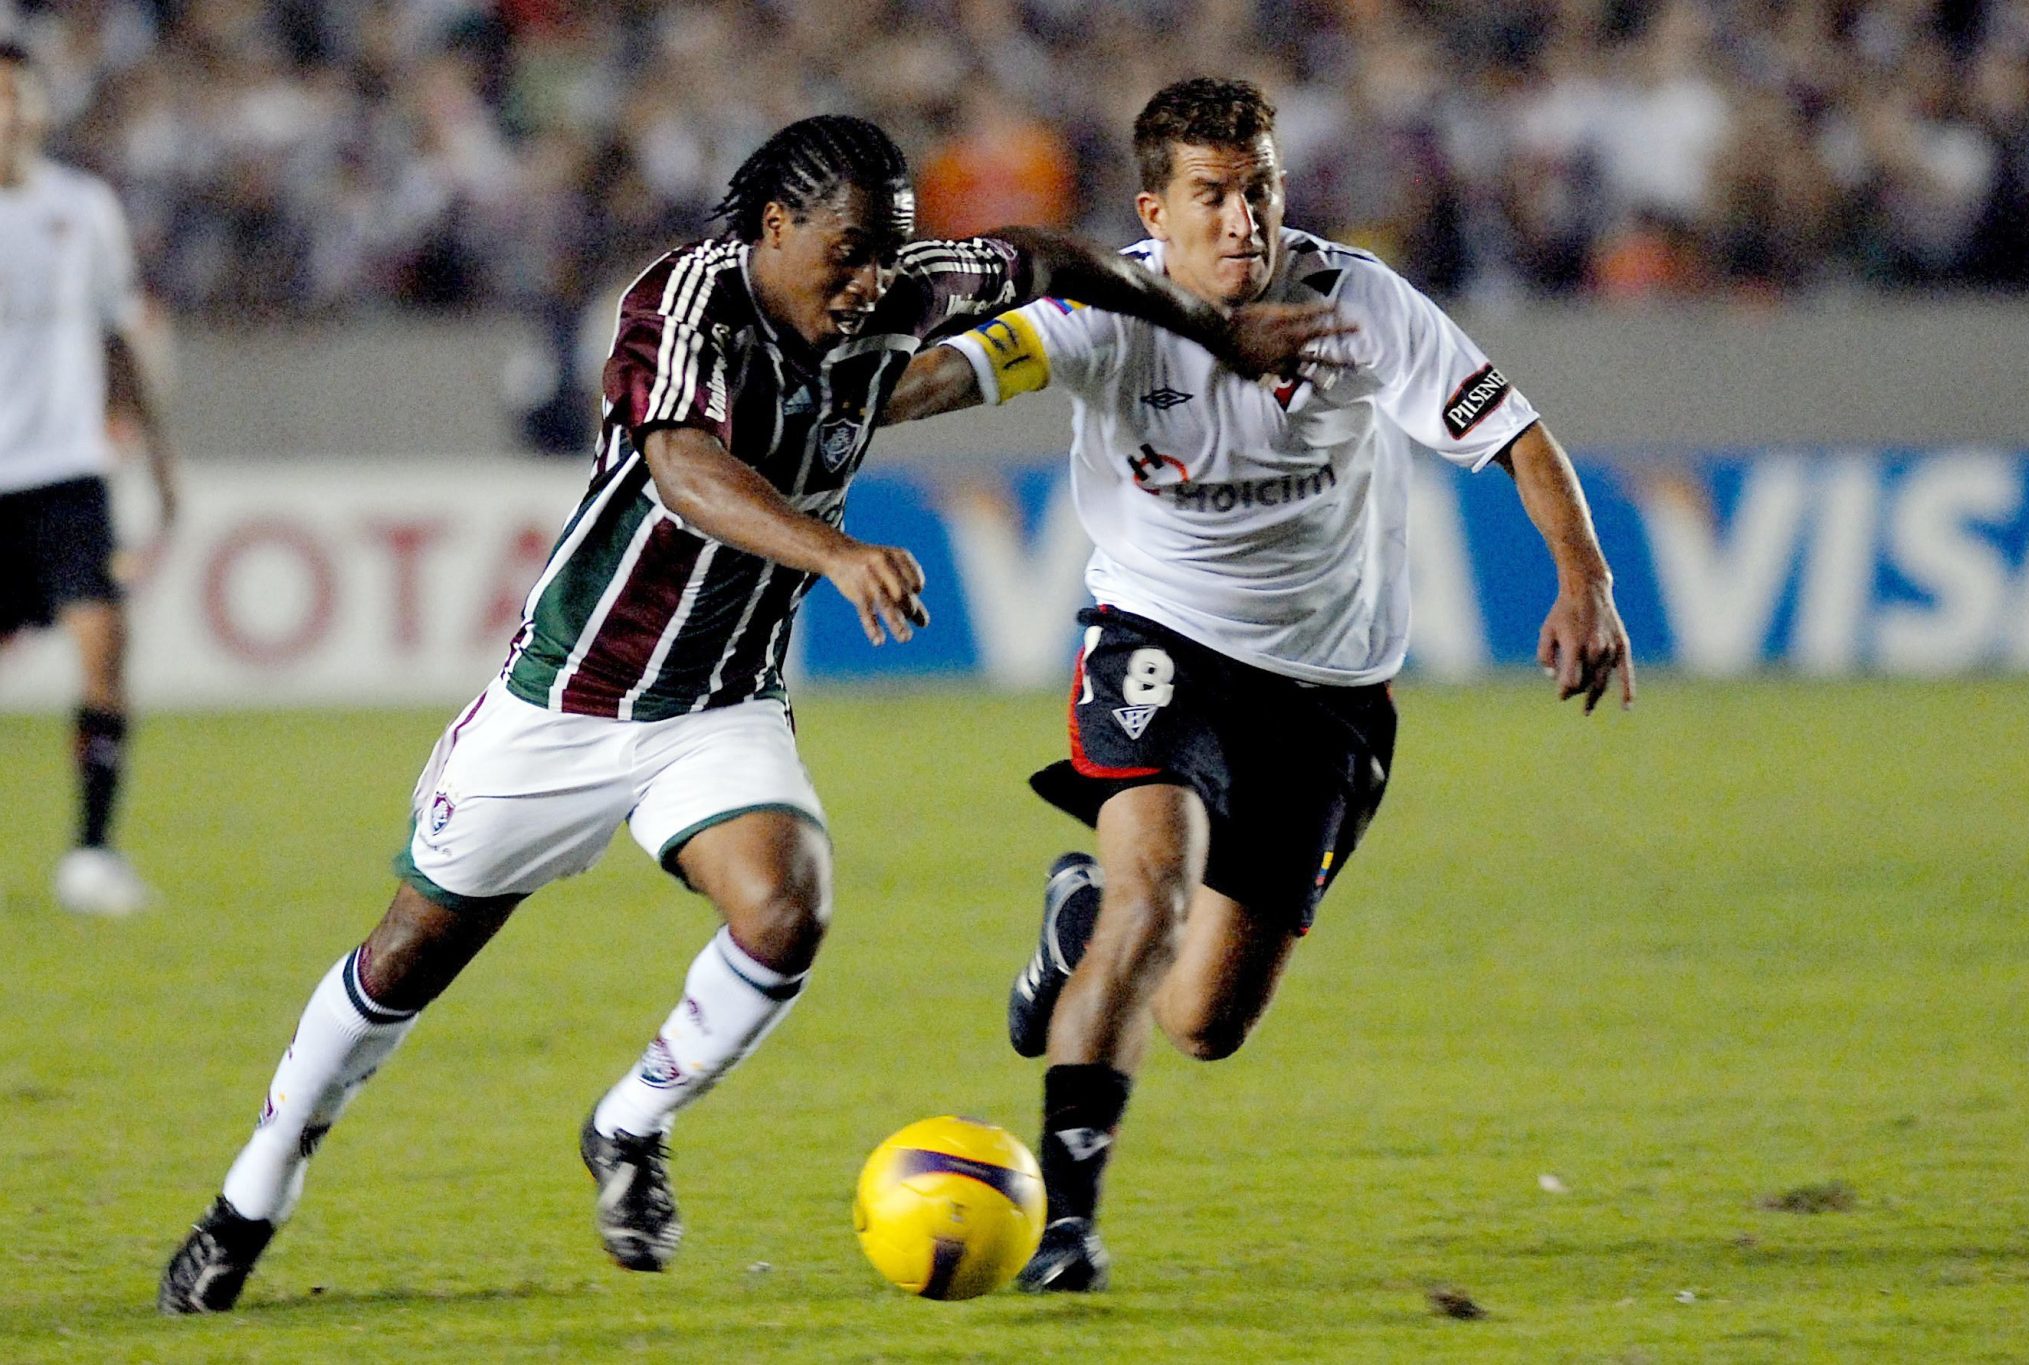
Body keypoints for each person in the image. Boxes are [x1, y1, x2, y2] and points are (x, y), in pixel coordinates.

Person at [157, 113, 1343, 1315]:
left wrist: (1208, 327)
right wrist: (829, 549)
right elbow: (682, 469)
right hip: (568, 700)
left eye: (888, 253)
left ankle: (629, 1126)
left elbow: (1050, 257)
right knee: (403, 959)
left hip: (718, 704)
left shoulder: (895, 291)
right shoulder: (683, 301)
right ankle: (250, 1198)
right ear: (774, 228)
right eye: (846, 253)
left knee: (787, 909)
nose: (872, 282)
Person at [888, 77, 1635, 1291]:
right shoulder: (1102, 312)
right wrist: (844, 391)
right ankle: (1067, 1221)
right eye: (1213, 198)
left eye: (1260, 193)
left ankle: (1070, 924)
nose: (1244, 223)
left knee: (1202, 1023)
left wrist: (1581, 579)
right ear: (1153, 211)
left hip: (1330, 690)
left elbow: (1514, 434)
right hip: (1157, 641)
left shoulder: (1356, 301)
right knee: (1152, 896)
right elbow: (952, 378)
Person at [0, 40, 177, 918]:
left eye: (14, 94)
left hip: (68, 470)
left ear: (36, 106)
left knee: (104, 651)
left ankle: (92, 852)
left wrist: (162, 465)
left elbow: (119, 338)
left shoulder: (84, 207)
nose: (5, 111)